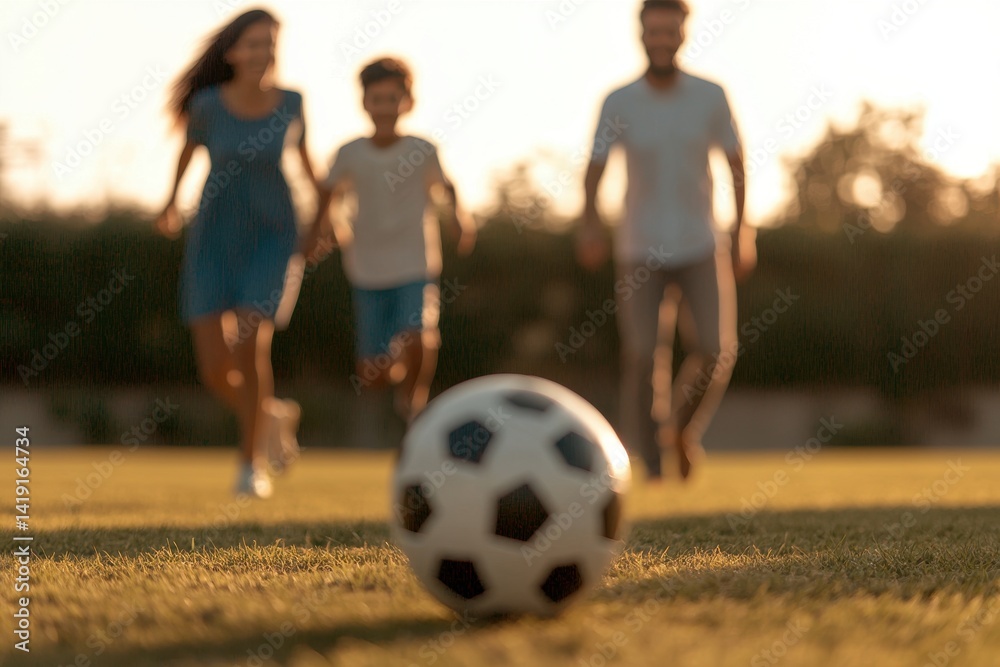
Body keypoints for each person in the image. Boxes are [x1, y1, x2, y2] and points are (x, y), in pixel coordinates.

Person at [577, 0, 756, 481]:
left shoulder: (710, 96)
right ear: (641, 34)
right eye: (653, 31)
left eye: (669, 31)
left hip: (701, 242)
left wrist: (743, 230)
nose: (661, 39)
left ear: (683, 34)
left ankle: (679, 428)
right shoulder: (619, 101)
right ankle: (653, 466)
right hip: (639, 247)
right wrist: (590, 223)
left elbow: (737, 166)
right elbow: (594, 170)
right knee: (641, 356)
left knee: (717, 349)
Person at [155, 8, 317, 497]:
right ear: (231, 53)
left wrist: (326, 220)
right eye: (253, 43)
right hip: (214, 236)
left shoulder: (291, 103)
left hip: (272, 236)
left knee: (250, 346)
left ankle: (250, 467)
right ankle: (270, 416)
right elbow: (188, 151)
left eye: (270, 44)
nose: (263, 53)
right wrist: (169, 202)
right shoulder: (207, 105)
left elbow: (310, 167)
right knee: (213, 369)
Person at [303, 57, 475, 429]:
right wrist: (318, 233)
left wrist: (460, 220)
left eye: (391, 98)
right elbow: (327, 194)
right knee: (372, 373)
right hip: (366, 268)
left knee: (420, 334)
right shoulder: (349, 153)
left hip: (414, 263)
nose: (384, 107)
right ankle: (394, 369)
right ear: (364, 103)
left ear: (407, 102)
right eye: (376, 99)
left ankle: (413, 400)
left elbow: (448, 188)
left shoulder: (423, 150)